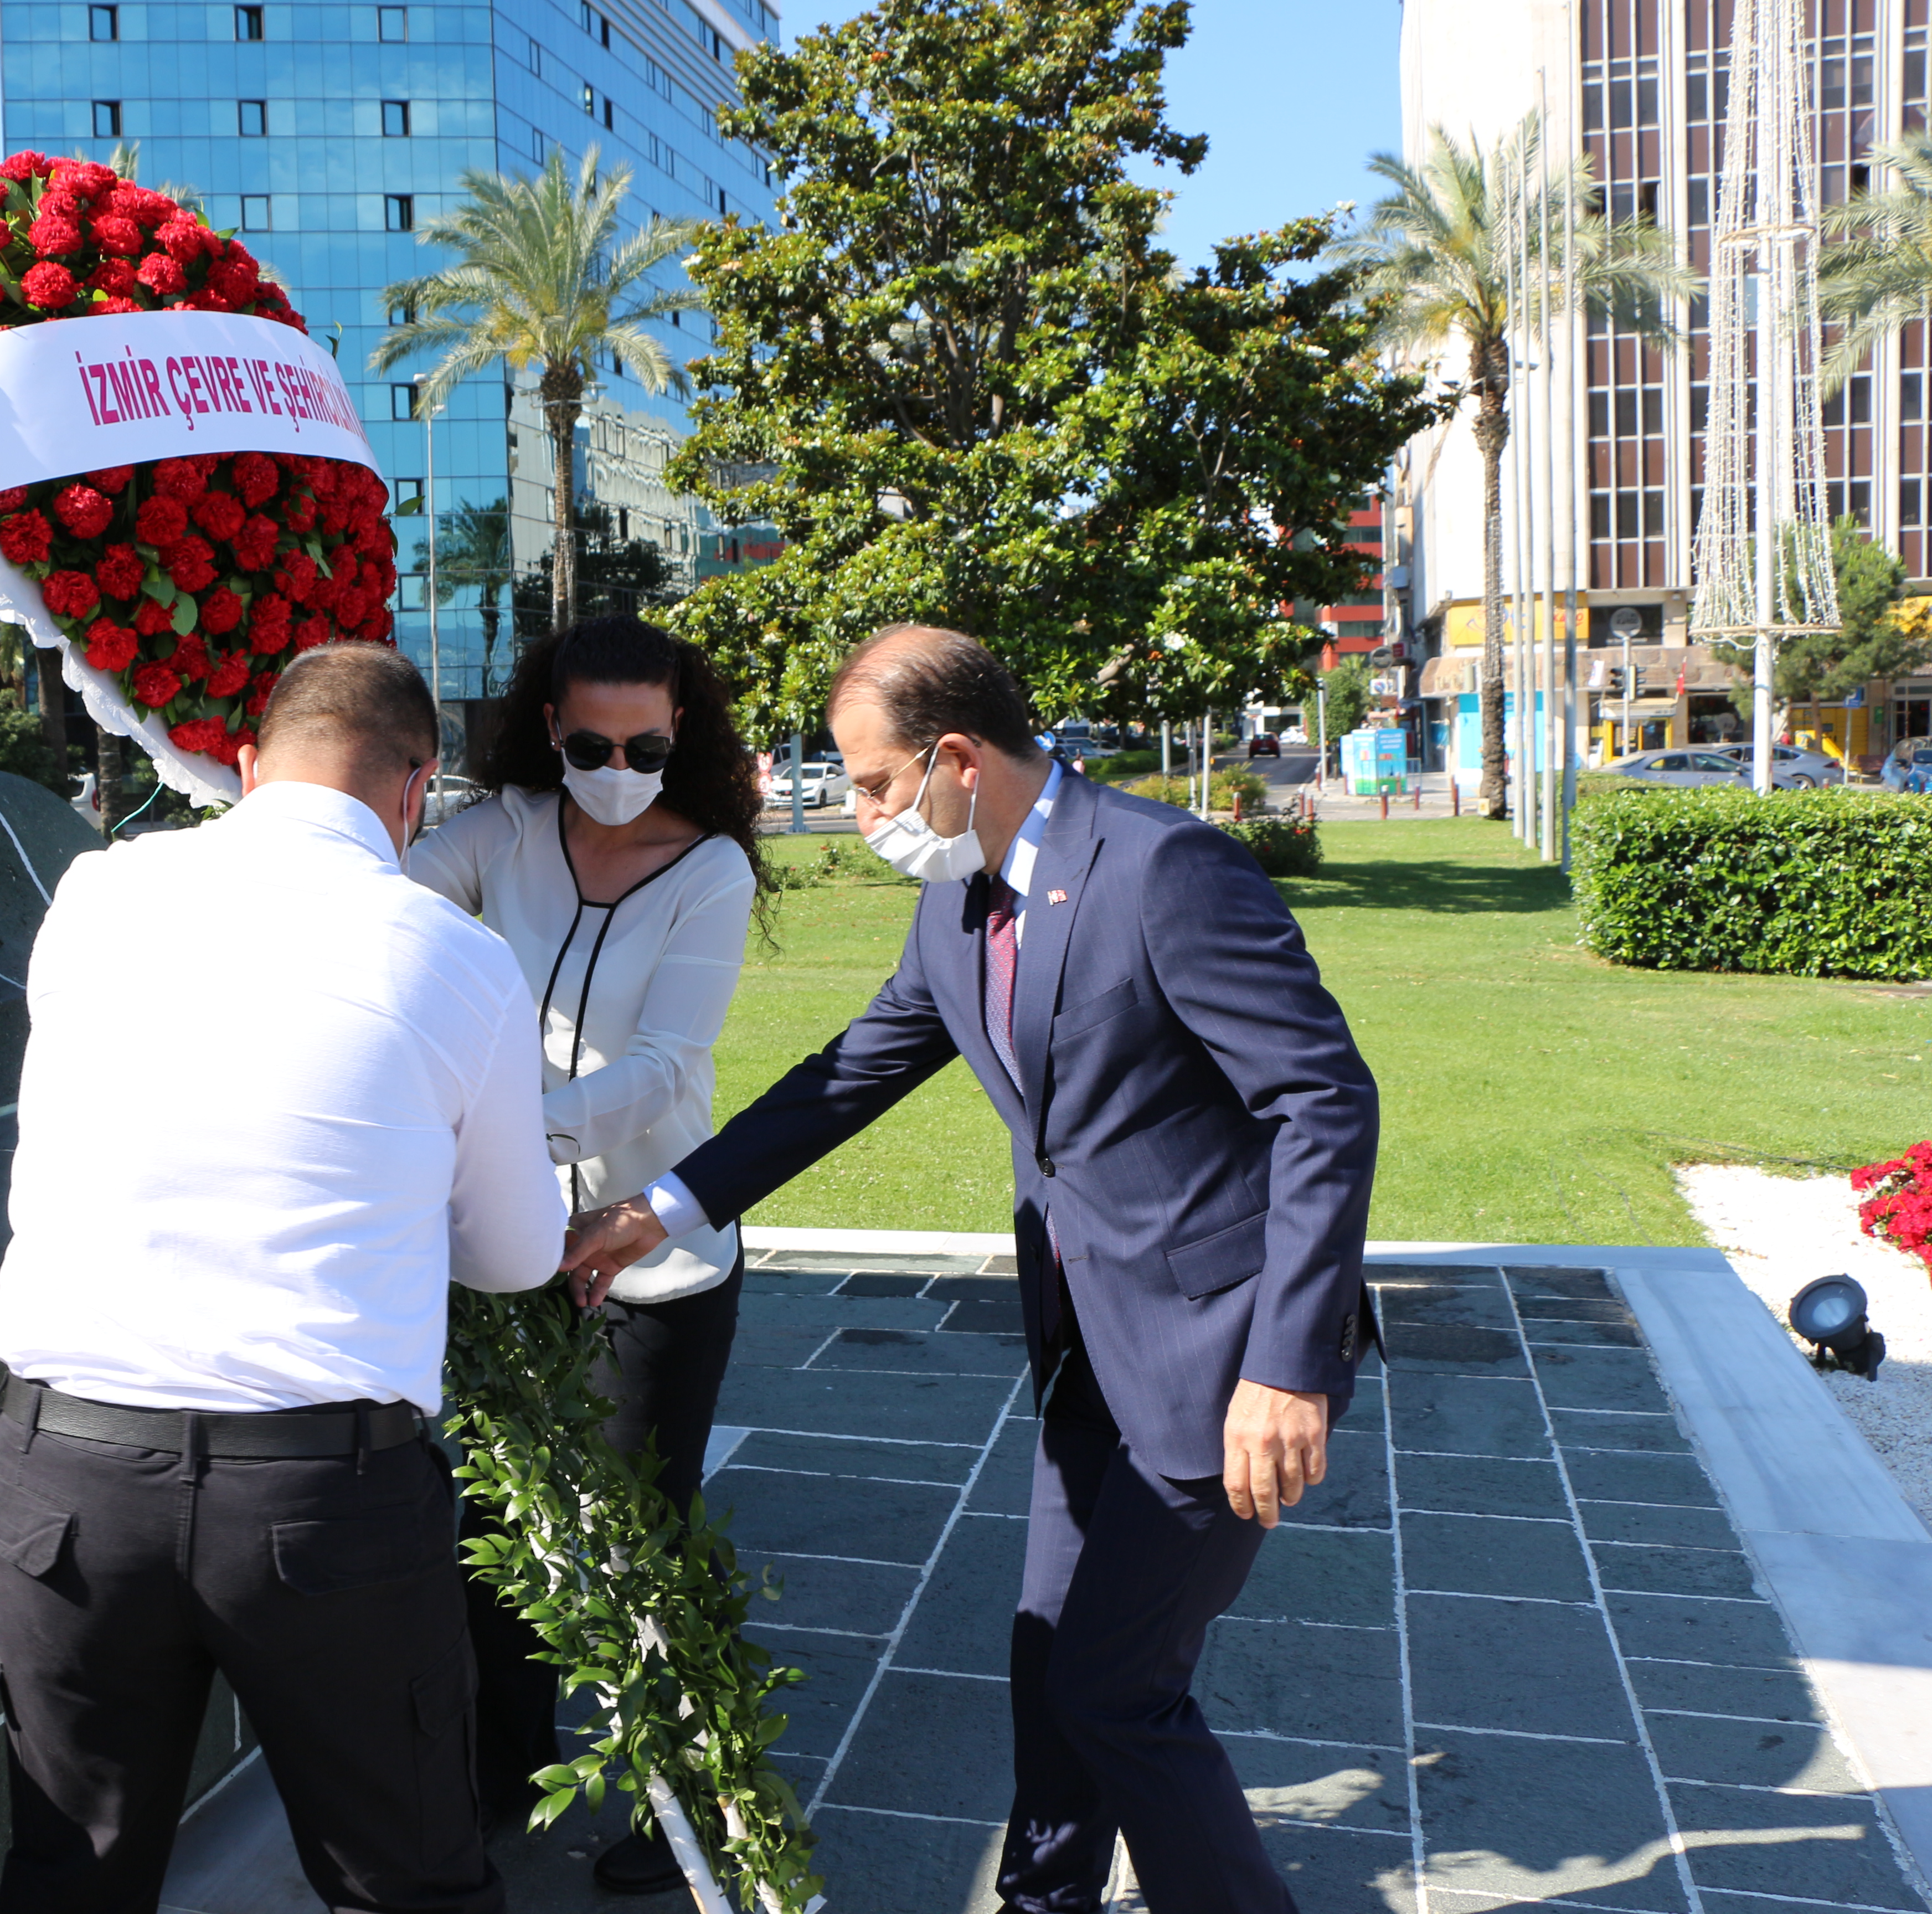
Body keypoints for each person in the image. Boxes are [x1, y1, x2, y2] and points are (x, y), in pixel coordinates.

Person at [566, 624, 1379, 1914]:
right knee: (1049, 1652)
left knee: (1119, 1688)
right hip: (1089, 1349)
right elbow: (847, 1077)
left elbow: (1324, 1106)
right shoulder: (959, 904)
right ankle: (1043, 1902)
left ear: (956, 757)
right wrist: (663, 1206)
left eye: (877, 784)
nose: (863, 813)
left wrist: (1288, 1367)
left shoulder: (1164, 870)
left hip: (1222, 1355)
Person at [0, 641, 566, 1913]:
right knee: (402, 1877)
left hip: (67, 1480)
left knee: (69, 1872)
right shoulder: (457, 960)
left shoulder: (97, 894)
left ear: (245, 766)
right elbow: (517, 1256)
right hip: (320, 1496)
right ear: (417, 791)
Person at [409, 614, 763, 1895]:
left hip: (651, 1246)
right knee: (499, 1526)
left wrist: (500, 1126)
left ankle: (703, 1803)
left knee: (635, 1536)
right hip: (503, 1243)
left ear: (685, 735)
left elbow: (667, 1066)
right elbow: (383, 913)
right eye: (595, 739)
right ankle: (501, 1771)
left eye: (650, 741)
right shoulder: (501, 831)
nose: (621, 761)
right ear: (550, 728)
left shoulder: (709, 867)